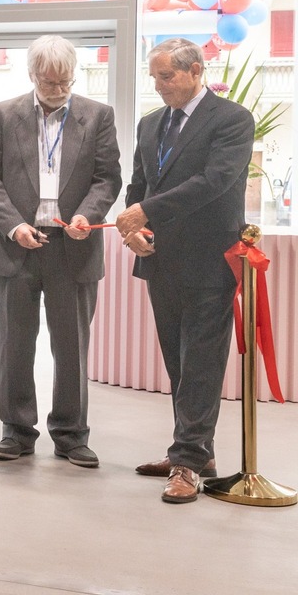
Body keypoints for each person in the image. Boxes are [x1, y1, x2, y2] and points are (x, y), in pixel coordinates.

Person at [116, 37, 254, 503]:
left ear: (196, 71)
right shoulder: (150, 123)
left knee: (201, 362)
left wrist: (147, 211)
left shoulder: (232, 119)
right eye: (153, 76)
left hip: (209, 260)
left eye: (166, 76)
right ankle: (195, 450)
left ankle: (188, 462)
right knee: (178, 362)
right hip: (160, 260)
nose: (158, 85)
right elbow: (139, 183)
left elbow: (214, 182)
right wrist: (134, 227)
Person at [0, 35, 121, 468]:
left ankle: (71, 434)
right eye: (48, 81)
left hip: (71, 246)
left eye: (64, 82)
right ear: (32, 74)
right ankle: (16, 431)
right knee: (15, 344)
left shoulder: (98, 117)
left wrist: (88, 215)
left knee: (71, 346)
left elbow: (107, 178)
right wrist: (14, 225)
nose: (56, 90)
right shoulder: (4, 114)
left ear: (74, 75)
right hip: (16, 245)